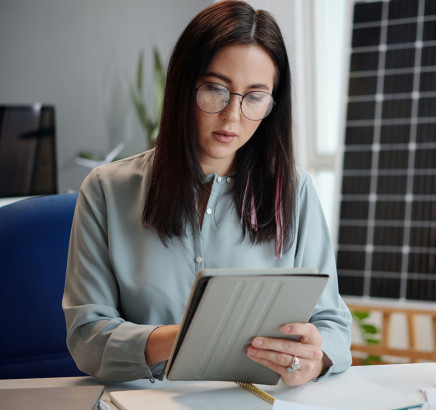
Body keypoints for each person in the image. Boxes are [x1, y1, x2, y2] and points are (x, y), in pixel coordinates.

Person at [62, 0, 352, 386]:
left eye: (254, 96)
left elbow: (332, 324)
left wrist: (313, 360)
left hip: (252, 400)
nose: (232, 115)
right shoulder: (106, 190)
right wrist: (183, 337)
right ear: (185, 85)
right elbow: (86, 339)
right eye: (216, 89)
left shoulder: (294, 191)